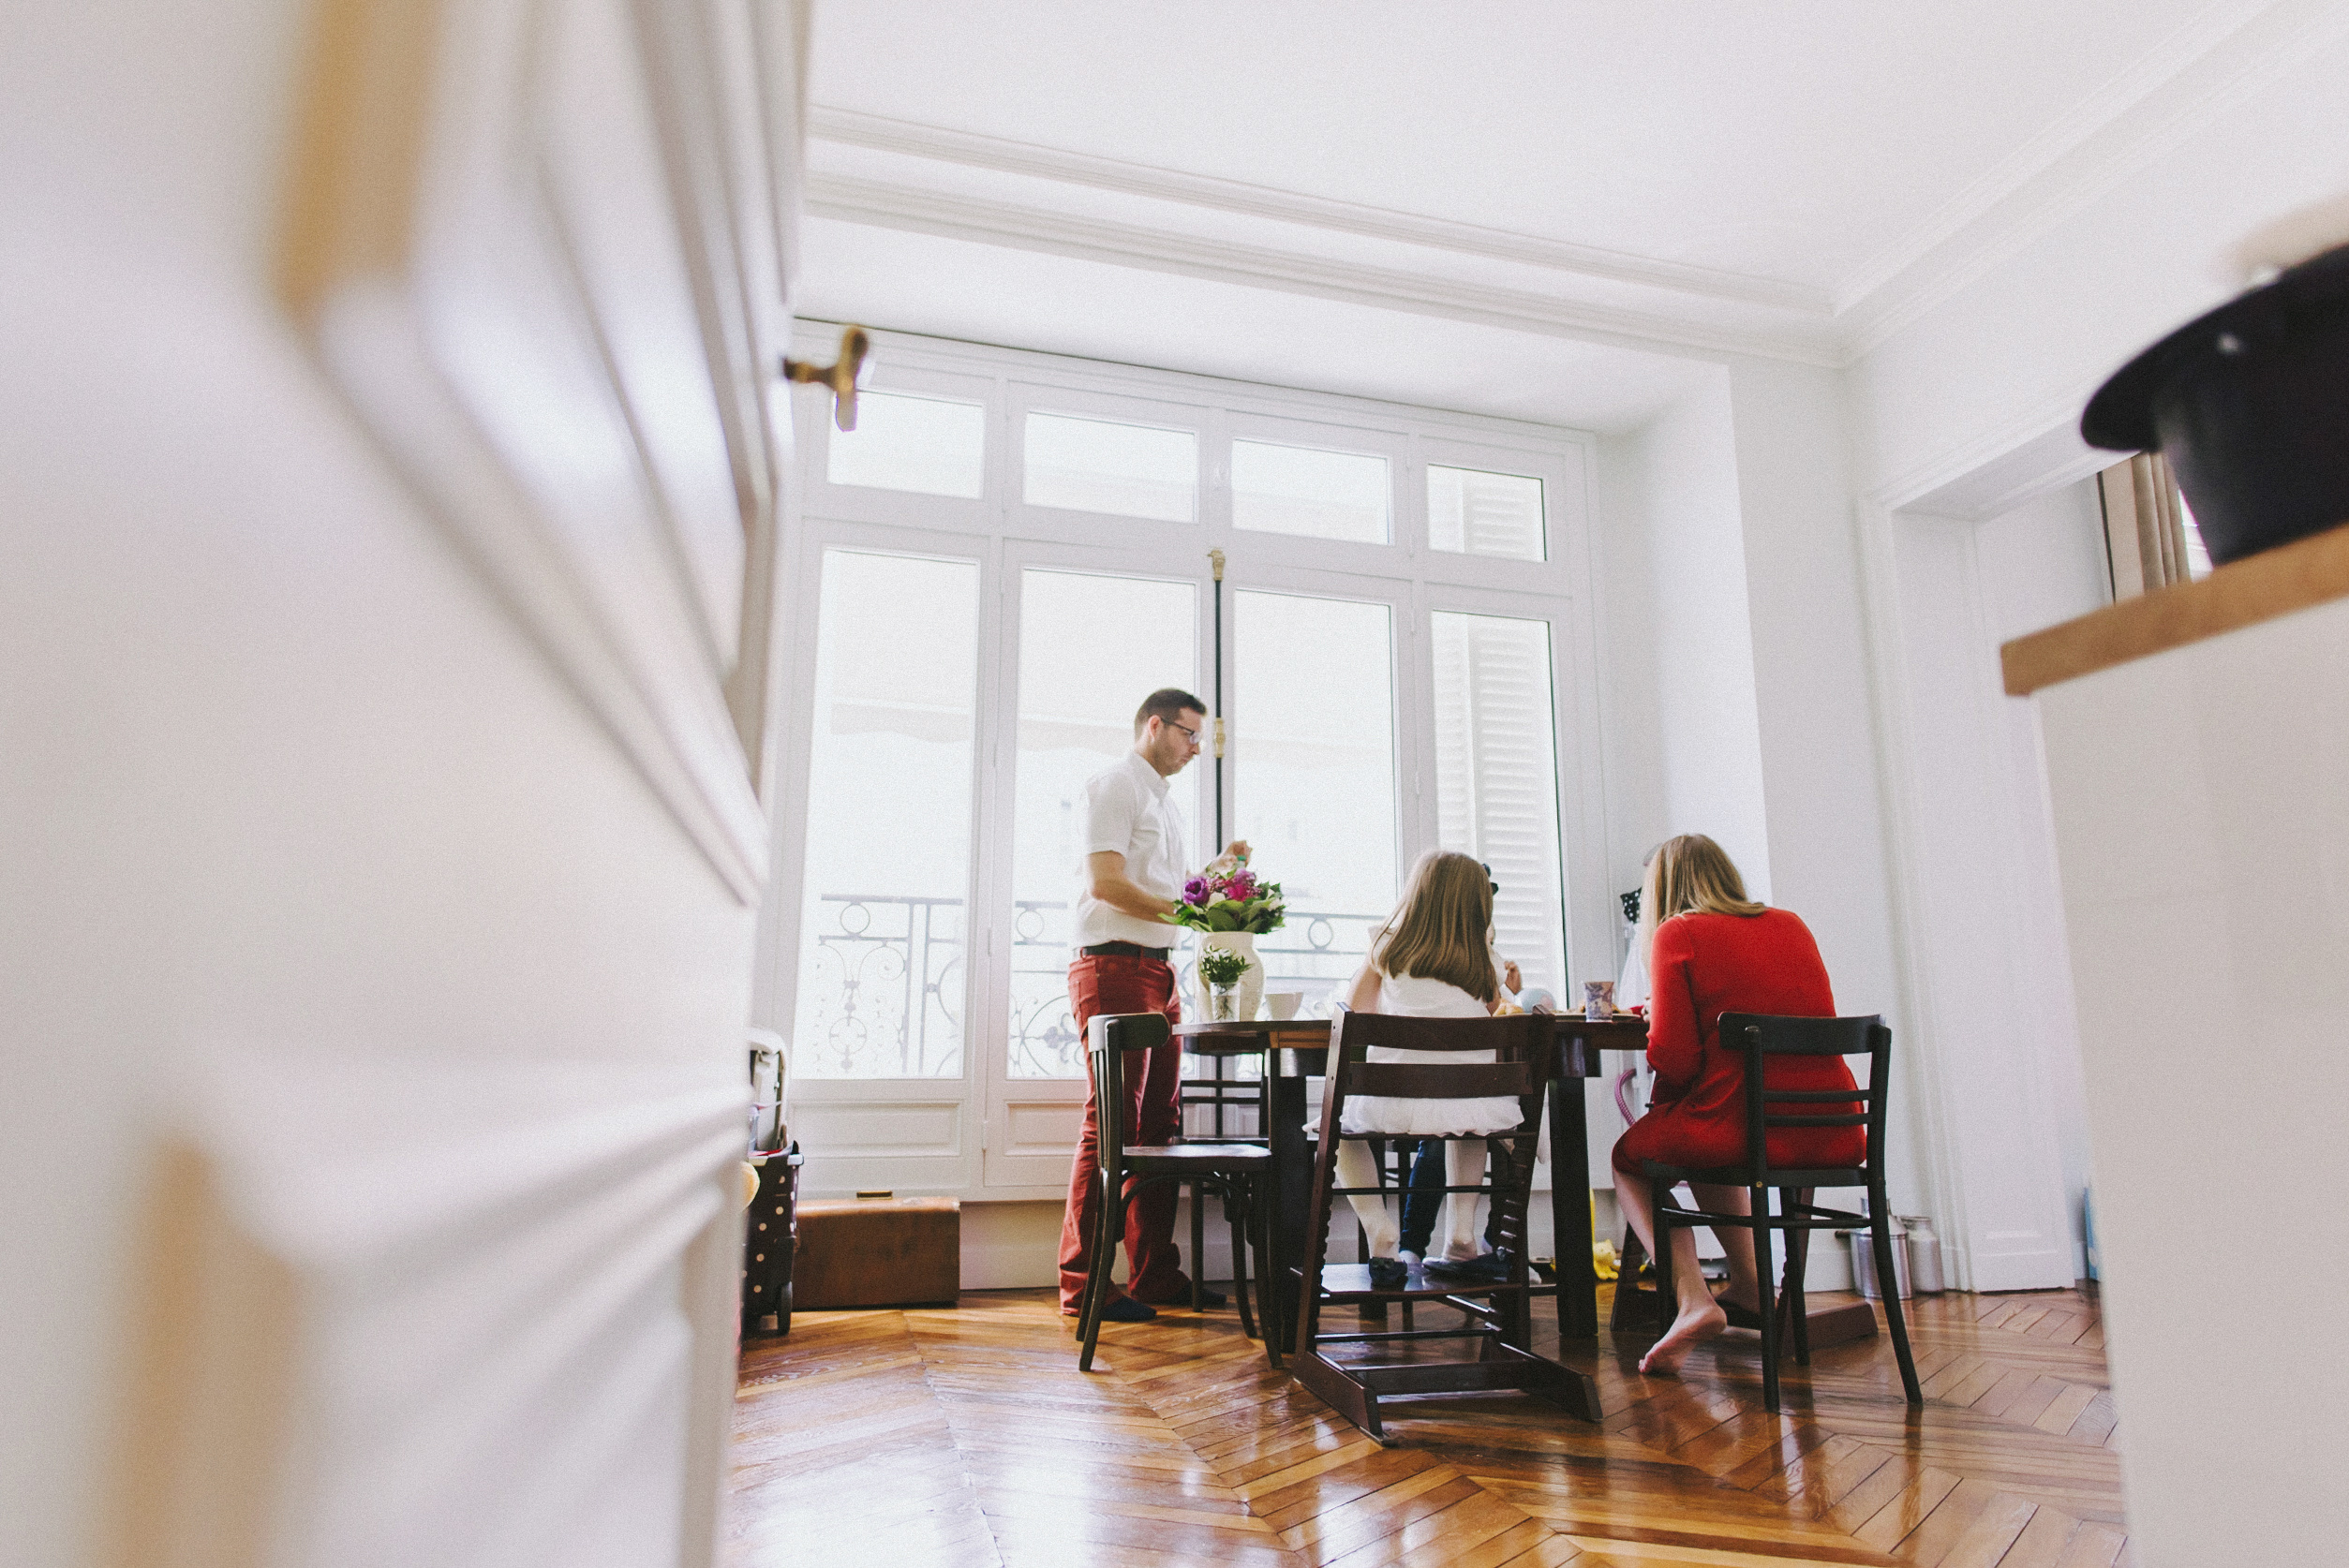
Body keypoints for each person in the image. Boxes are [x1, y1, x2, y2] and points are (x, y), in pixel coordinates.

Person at [1610, 835, 1866, 1376]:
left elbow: (1674, 1062)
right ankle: (1752, 1289)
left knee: (1630, 1157)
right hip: (1833, 1126)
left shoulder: (1678, 933)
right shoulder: (1791, 924)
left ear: (1663, 889)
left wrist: (1660, 1019)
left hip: (1743, 1128)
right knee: (1704, 1132)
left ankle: (1693, 1298)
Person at [1056, 688, 1251, 1323]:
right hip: (1113, 966)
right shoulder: (1115, 785)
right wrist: (1192, 910)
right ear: (1152, 726)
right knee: (1110, 1124)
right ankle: (1082, 1285)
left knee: (1158, 1129)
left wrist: (1214, 874)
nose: (1197, 748)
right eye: (1188, 735)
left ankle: (1153, 1275)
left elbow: (1167, 890)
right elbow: (1106, 883)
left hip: (1158, 971)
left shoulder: (1163, 804)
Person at [1334, 851, 1528, 1289]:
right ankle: (1460, 1233)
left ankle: (1380, 1232)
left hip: (1392, 1106)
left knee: (1337, 1127)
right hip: (1467, 1107)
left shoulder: (1385, 948)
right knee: (1471, 1120)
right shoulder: (1486, 961)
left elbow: (1357, 1015)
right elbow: (1497, 1013)